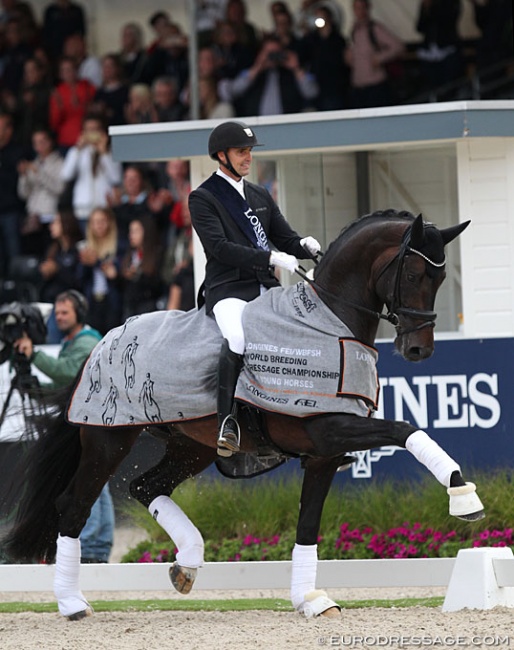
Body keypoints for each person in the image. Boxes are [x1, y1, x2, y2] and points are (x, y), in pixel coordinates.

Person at [188, 120, 320, 456]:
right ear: (221, 156)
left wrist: (307, 246)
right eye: (240, 151)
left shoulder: (259, 194)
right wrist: (270, 257)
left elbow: (286, 238)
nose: (248, 157)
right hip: (228, 287)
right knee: (237, 338)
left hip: (265, 286)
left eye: (249, 151)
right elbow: (219, 248)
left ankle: (314, 420)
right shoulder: (203, 198)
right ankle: (226, 421)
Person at [13, 289, 115, 563]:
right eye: (56, 313)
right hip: (89, 418)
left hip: (92, 420)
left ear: (79, 314)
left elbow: (69, 373)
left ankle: (94, 544)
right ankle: (98, 545)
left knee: (88, 479)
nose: (59, 317)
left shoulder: (87, 341)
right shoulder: (73, 342)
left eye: (65, 312)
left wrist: (33, 355)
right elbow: (66, 385)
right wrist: (36, 389)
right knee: (95, 480)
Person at [60, 114, 122, 228]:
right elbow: (66, 175)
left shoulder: (110, 152)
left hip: (104, 209)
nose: (92, 133)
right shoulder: (77, 152)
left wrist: (104, 154)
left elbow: (116, 178)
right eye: (89, 130)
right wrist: (78, 149)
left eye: (95, 129)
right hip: (83, 209)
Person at [345, 0, 404, 109]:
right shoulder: (354, 30)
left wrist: (380, 58)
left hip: (374, 84)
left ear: (367, 8)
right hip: (358, 85)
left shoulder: (375, 28)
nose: (360, 11)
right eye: (357, 8)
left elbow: (397, 46)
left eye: (362, 8)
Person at [17, 127, 65, 257]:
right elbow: (23, 194)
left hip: (50, 216)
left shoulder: (59, 163)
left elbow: (59, 189)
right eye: (36, 142)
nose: (39, 145)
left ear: (50, 142)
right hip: (34, 217)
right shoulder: (33, 163)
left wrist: (39, 173)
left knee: (50, 255)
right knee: (33, 255)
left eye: (43, 141)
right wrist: (23, 176)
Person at [0, 112, 25, 281]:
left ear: (9, 130)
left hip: (11, 209)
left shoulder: (18, 152)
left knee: (13, 251)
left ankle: (15, 288)